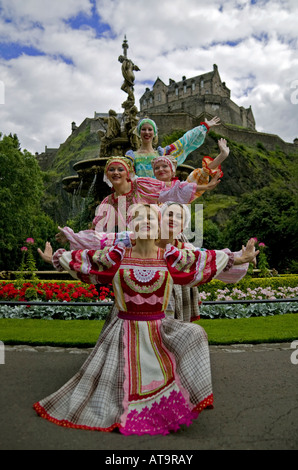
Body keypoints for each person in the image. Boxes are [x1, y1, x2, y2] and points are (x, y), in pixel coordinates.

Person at [34, 204, 258, 435]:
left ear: (159, 224)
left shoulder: (172, 258)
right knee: (115, 386)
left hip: (158, 329)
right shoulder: (115, 256)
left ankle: (175, 403)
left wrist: (240, 258)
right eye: (139, 218)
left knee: (195, 333)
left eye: (151, 218)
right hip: (123, 330)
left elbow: (205, 259)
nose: (146, 223)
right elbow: (85, 261)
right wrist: (56, 259)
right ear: (131, 225)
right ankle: (121, 411)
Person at [91, 155, 221, 232]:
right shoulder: (108, 201)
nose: (115, 173)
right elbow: (97, 228)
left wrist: (206, 186)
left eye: (120, 169)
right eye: (111, 170)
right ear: (107, 175)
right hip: (127, 245)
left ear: (128, 173)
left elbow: (173, 190)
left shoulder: (141, 184)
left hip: (156, 239)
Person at [125, 116, 221, 178]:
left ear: (154, 133)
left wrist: (204, 127)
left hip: (159, 198)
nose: (147, 132)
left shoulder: (162, 153)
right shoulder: (131, 157)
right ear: (139, 132)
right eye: (143, 129)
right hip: (139, 200)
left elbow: (183, 141)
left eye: (150, 129)